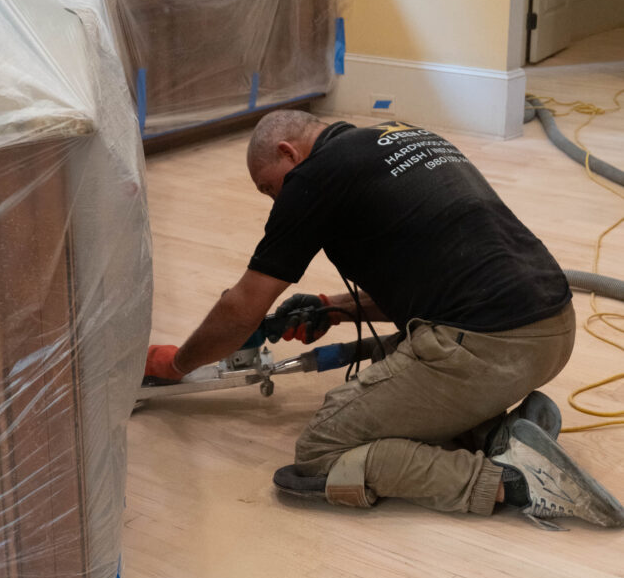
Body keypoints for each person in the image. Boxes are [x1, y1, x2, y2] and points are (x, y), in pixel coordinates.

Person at [145, 110, 624, 528]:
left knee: (320, 452)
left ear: (289, 152)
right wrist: (334, 307)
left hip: (490, 347)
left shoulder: (314, 176)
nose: (276, 202)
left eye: (270, 187)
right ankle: (499, 433)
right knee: (411, 366)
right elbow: (434, 275)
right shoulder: (404, 136)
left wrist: (179, 363)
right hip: (552, 329)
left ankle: (514, 483)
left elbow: (242, 307)